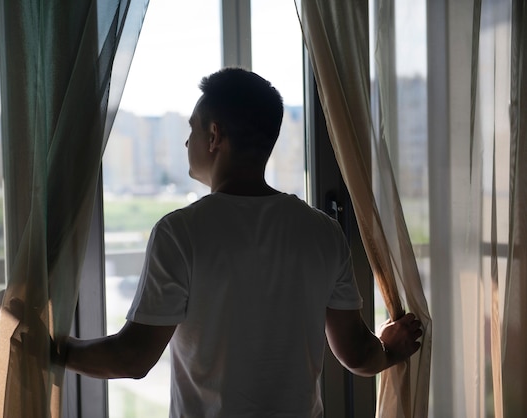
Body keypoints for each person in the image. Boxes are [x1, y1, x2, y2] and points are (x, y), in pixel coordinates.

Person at [58, 68, 422, 417]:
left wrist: (57, 349)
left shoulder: (180, 232)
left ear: (214, 136)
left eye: (192, 130)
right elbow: (358, 354)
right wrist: (390, 350)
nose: (187, 142)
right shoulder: (323, 232)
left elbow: (132, 358)